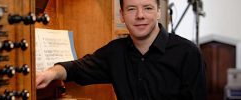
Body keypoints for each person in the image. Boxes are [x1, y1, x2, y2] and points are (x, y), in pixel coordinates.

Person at [36, 0, 207, 99]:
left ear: (158, 12)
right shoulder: (115, 52)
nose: (140, 15)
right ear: (122, 15)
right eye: (132, 9)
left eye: (147, 8)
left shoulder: (188, 53)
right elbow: (78, 68)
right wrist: (50, 73)